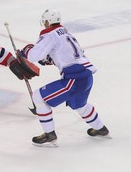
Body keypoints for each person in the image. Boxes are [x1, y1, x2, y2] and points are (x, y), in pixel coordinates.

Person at [21, 9, 109, 146]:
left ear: (47, 22)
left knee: (38, 97)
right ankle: (101, 129)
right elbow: (65, 53)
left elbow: (33, 56)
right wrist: (50, 59)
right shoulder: (65, 31)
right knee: (80, 105)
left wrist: (26, 50)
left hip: (74, 79)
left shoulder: (49, 34)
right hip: (86, 75)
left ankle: (50, 135)